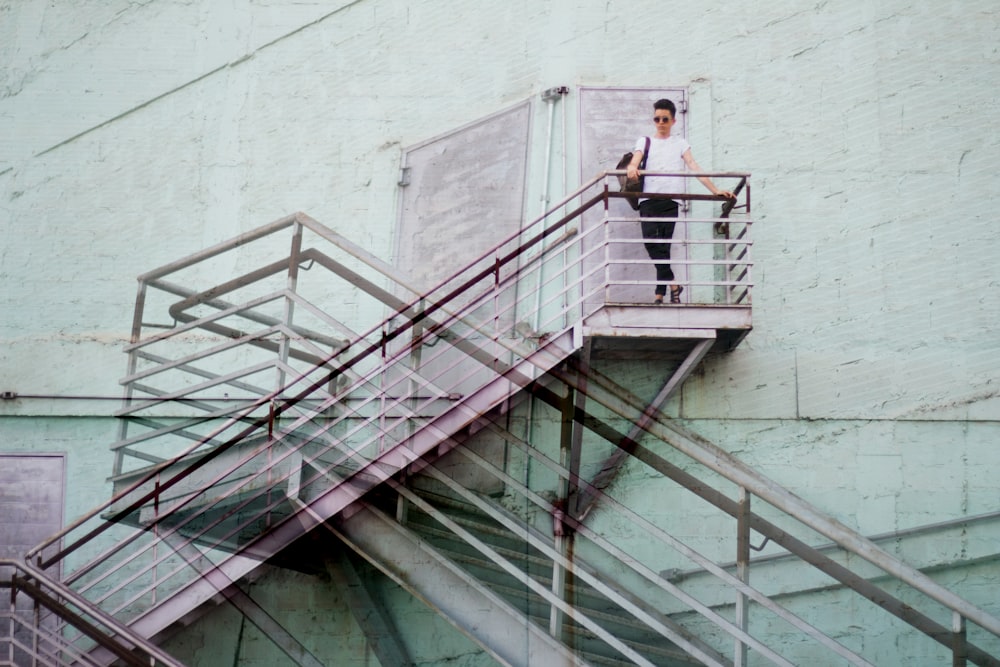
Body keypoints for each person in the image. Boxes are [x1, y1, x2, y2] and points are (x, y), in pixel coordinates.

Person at [625, 99, 734, 304]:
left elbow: (693, 165)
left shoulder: (680, 143)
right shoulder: (645, 140)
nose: (660, 122)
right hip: (649, 199)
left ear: (673, 121)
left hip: (671, 201)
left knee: (664, 248)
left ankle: (660, 295)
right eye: (657, 118)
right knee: (651, 244)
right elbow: (636, 159)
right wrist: (632, 167)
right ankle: (674, 284)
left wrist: (715, 190)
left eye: (665, 119)